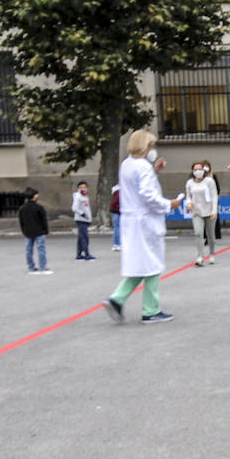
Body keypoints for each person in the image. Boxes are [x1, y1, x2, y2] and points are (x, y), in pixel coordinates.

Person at [102, 130, 181, 324]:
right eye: (152, 145)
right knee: (153, 265)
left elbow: (135, 186)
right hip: (145, 222)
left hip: (131, 220)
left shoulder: (127, 164)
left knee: (139, 265)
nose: (153, 149)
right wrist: (169, 204)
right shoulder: (142, 167)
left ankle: (117, 299)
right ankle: (150, 310)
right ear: (145, 146)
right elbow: (147, 195)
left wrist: (154, 170)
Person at [187, 161, 219, 266]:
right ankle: (200, 256)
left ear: (203, 170)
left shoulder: (209, 181)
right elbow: (188, 196)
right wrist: (189, 203)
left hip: (209, 211)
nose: (197, 171)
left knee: (210, 235)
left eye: (199, 169)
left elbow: (214, 196)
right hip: (197, 212)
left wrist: (214, 211)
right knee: (198, 233)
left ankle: (212, 254)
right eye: (195, 169)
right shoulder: (189, 183)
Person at [18, 188, 51, 275]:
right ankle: (42, 267)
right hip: (39, 231)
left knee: (29, 250)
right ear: (34, 196)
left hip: (27, 232)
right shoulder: (39, 207)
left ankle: (31, 267)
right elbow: (44, 220)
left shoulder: (22, 208)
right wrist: (46, 230)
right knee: (41, 249)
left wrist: (23, 231)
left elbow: (21, 221)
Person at [72, 181, 96, 260]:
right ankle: (86, 254)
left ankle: (79, 254)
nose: (83, 189)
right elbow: (74, 208)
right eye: (81, 187)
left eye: (84, 187)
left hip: (85, 220)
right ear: (78, 188)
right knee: (84, 237)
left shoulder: (85, 196)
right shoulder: (78, 197)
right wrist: (83, 215)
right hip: (81, 220)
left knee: (80, 237)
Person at [109, 183, 122, 250]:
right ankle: (118, 244)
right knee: (118, 228)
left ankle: (115, 244)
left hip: (115, 211)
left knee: (116, 227)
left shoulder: (116, 191)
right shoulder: (119, 192)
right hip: (117, 211)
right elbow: (116, 202)